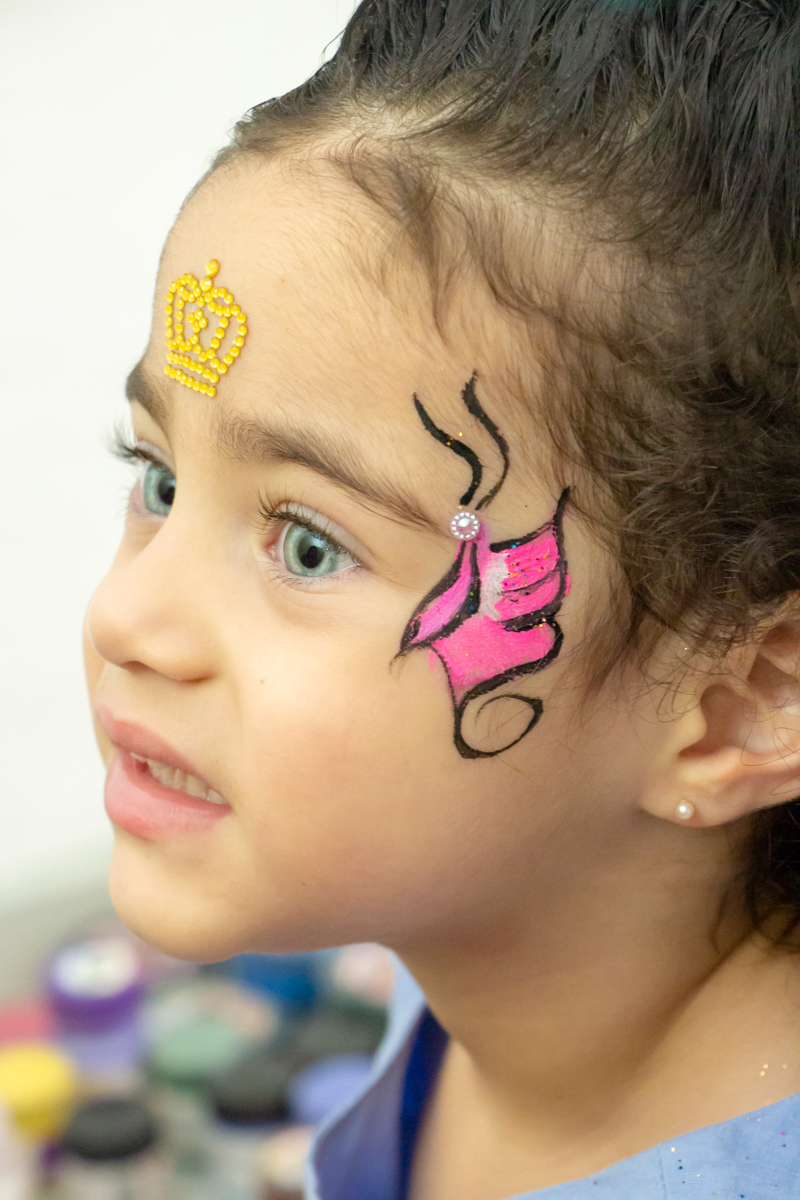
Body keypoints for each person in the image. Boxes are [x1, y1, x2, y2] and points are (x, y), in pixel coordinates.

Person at [83, 1, 800, 1196]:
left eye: (307, 547)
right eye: (158, 477)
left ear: (741, 701)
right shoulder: (481, 918)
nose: (126, 620)